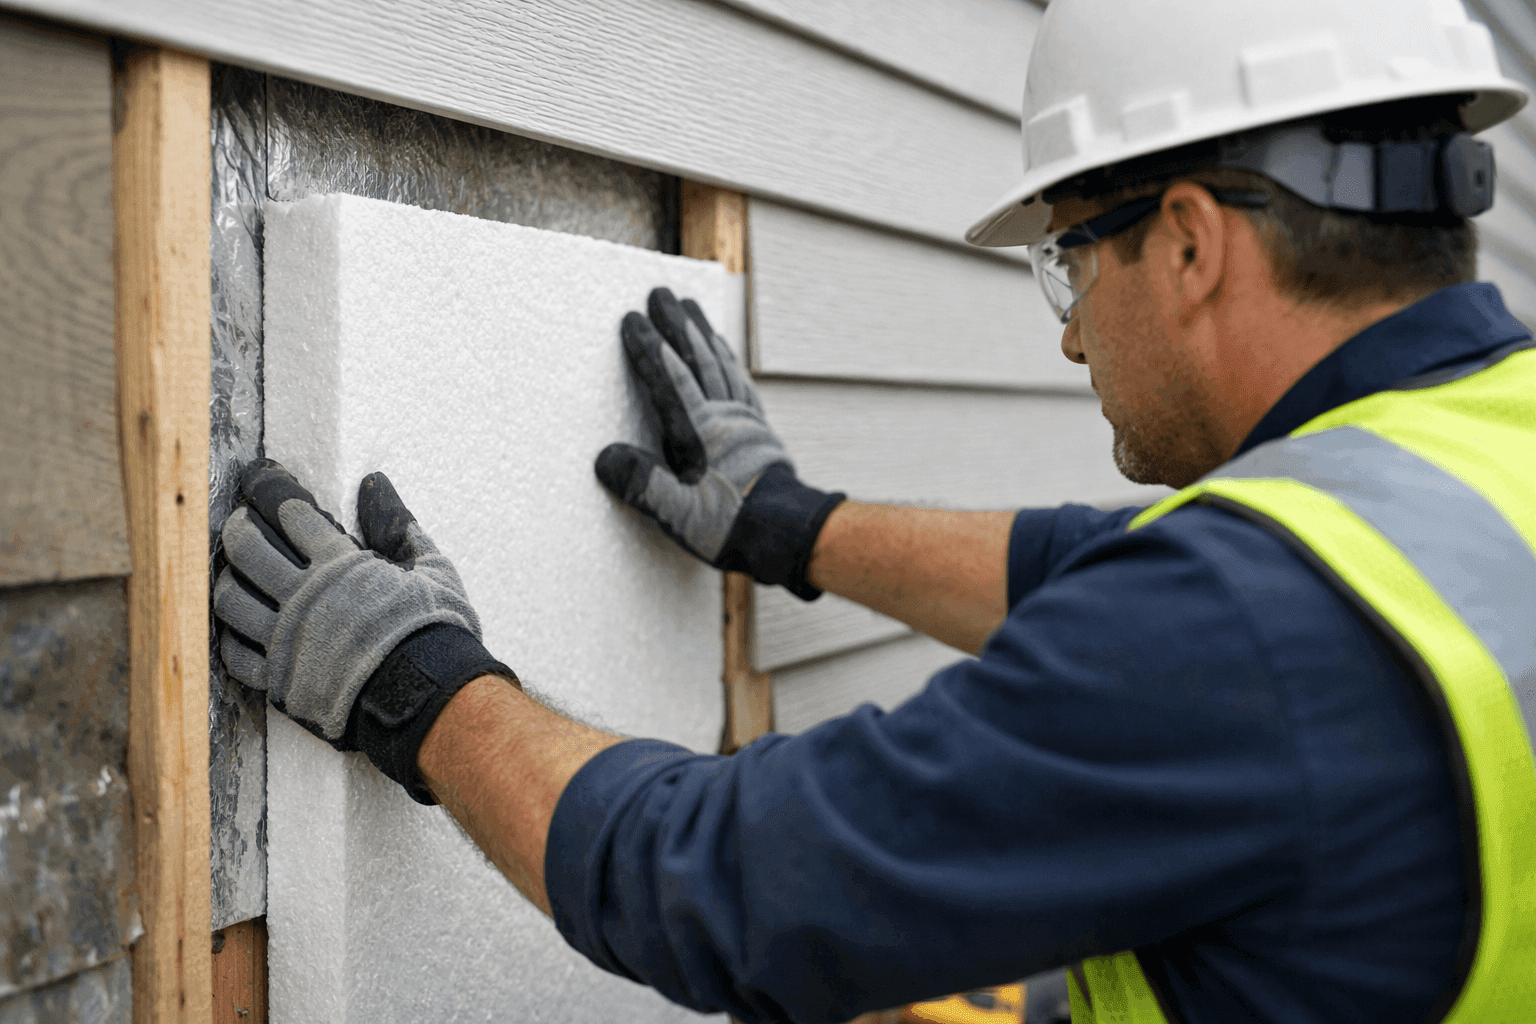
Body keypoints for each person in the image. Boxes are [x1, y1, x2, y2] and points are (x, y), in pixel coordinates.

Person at [210, 1, 1536, 1021]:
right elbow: (1106, 573)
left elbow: (729, 887)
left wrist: (423, 687)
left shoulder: (1246, 630)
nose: (1075, 345)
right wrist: (793, 523)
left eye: (1068, 263)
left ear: (1189, 244)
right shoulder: (1474, 457)